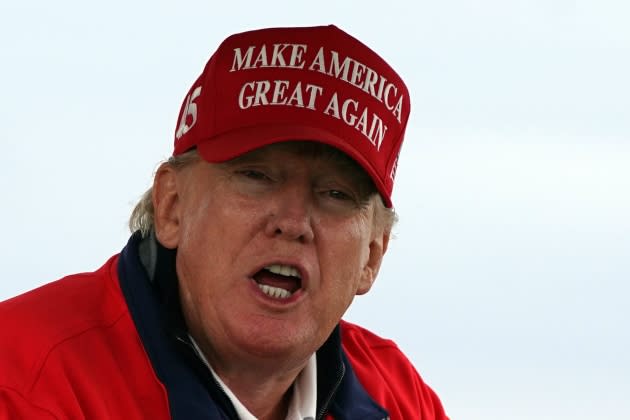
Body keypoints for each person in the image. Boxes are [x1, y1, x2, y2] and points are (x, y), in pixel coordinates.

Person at [0, 25, 448, 420]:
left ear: (372, 255)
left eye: (335, 195)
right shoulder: (24, 378)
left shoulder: (399, 397)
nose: (293, 223)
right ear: (172, 205)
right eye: (256, 176)